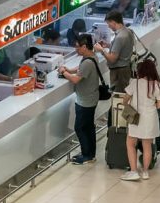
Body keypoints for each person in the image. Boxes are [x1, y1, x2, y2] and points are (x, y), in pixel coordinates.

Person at [120, 60, 160, 182]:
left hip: (136, 117)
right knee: (147, 146)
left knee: (130, 143)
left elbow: (125, 98)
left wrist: (127, 104)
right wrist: (150, 108)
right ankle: (145, 172)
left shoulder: (135, 83)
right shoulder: (156, 85)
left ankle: (133, 171)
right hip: (150, 118)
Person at [58, 33, 100, 165]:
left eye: (78, 47)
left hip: (85, 101)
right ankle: (90, 154)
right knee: (88, 128)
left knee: (80, 128)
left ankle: (86, 155)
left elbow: (76, 79)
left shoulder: (88, 61)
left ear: (85, 47)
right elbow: (81, 69)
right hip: (90, 98)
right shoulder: (92, 57)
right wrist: (69, 70)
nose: (76, 49)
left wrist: (64, 73)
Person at [95, 10, 135, 92]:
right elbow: (123, 47)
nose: (109, 26)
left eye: (108, 24)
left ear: (113, 22)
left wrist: (101, 50)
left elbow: (112, 59)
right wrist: (108, 45)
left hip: (119, 72)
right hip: (125, 69)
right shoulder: (128, 31)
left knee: (118, 96)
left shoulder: (120, 37)